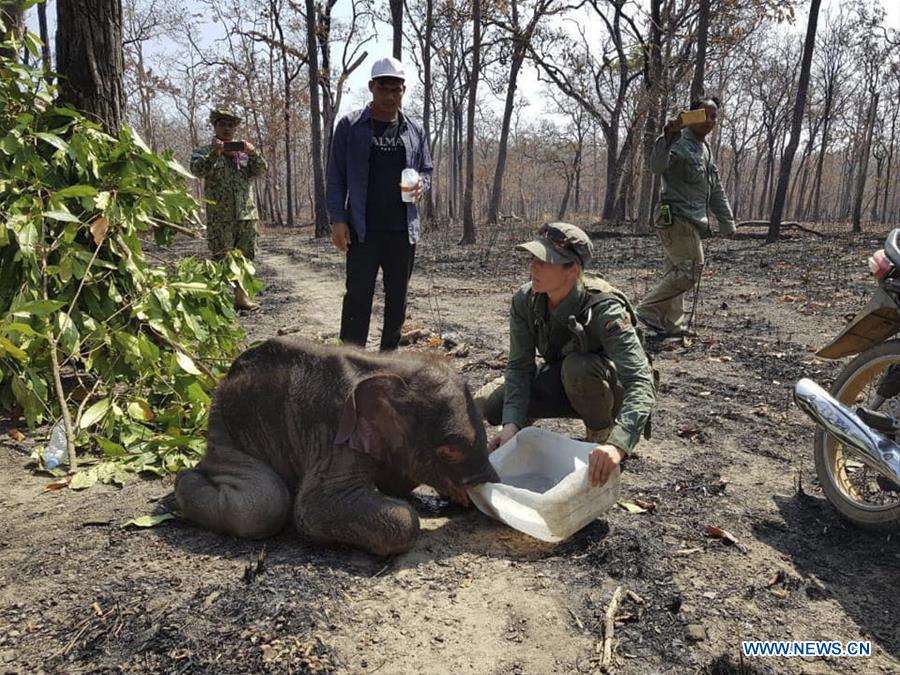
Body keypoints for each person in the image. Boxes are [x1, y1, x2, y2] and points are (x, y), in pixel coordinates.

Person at [474, 223, 656, 488]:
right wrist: (511, 424)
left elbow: (640, 379)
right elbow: (519, 367)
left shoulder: (605, 308)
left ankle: (599, 438)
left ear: (572, 270)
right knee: (488, 403)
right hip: (560, 379)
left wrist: (619, 443)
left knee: (578, 368)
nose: (533, 267)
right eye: (532, 258)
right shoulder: (526, 299)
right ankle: (521, 426)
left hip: (603, 390)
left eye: (544, 262)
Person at [326, 56, 433, 351]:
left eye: (395, 89)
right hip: (363, 229)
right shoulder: (351, 126)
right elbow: (336, 175)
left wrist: (422, 184)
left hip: (402, 230)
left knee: (397, 297)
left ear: (403, 90)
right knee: (358, 296)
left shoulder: (414, 130)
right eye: (383, 88)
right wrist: (337, 220)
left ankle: (388, 359)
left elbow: (426, 169)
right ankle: (350, 359)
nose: (389, 96)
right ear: (372, 88)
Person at [636, 95, 735, 337]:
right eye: (703, 114)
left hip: (693, 220)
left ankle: (673, 324)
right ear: (691, 116)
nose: (710, 120)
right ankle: (646, 309)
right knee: (691, 270)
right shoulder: (678, 141)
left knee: (677, 272)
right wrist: (668, 135)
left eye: (714, 116)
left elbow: (715, 187)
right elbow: (657, 167)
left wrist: (726, 220)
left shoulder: (705, 148)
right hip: (676, 218)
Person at [190, 107, 268, 311]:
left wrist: (253, 153)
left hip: (246, 214)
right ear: (214, 126)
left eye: (231, 125)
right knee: (220, 256)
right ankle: (216, 300)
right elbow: (197, 171)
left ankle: (241, 298)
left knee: (245, 257)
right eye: (222, 124)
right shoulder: (203, 152)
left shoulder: (241, 152)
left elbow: (260, 170)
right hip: (220, 216)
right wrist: (215, 154)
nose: (227, 128)